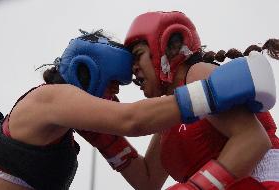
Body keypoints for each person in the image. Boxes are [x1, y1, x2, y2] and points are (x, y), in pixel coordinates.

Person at [0, 29, 275, 190]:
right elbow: (133, 119)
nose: (116, 93)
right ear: (87, 70)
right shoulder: (51, 98)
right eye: (116, 82)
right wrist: (212, 92)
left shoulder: (196, 74)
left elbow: (147, 182)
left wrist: (109, 142)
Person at [85, 11, 279, 189]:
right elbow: (147, 181)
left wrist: (196, 187)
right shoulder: (171, 117)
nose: (134, 68)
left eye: (138, 56)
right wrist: (101, 134)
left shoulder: (197, 75)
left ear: (170, 47)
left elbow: (254, 140)